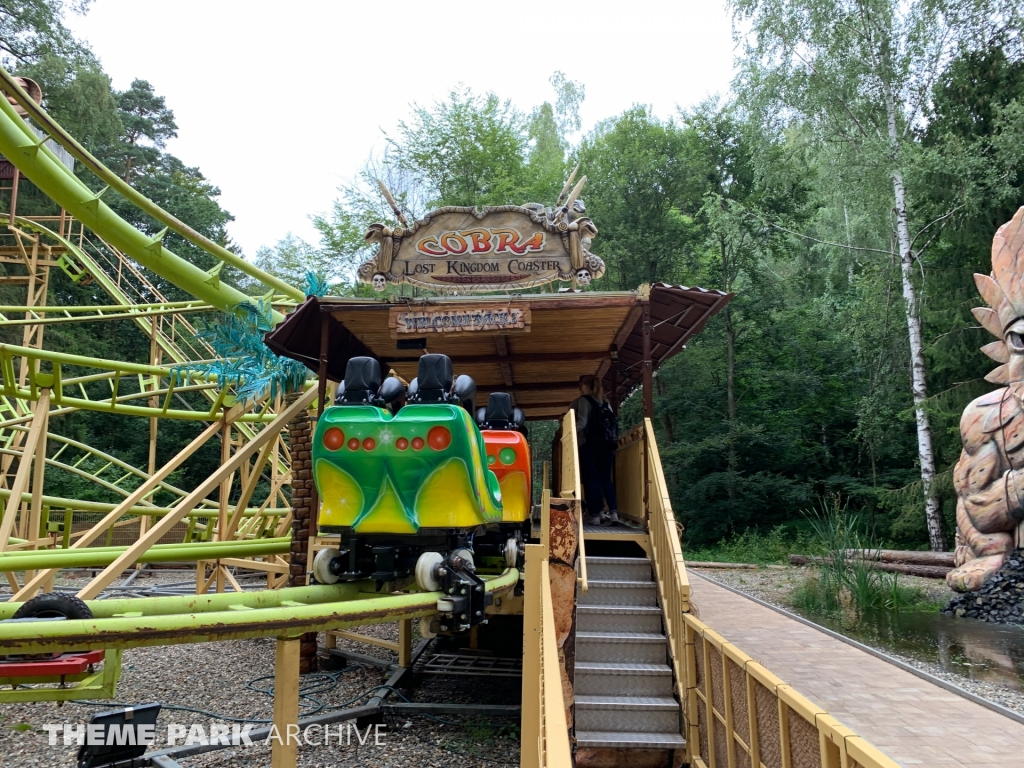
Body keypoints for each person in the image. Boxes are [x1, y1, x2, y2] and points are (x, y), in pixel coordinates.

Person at [570, 375, 619, 526]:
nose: (580, 389)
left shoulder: (585, 400)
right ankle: (613, 513)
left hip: (589, 445)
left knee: (592, 480)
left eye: (581, 386)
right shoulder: (606, 402)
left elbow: (582, 423)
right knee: (606, 479)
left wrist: (569, 433)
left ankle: (595, 515)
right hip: (607, 446)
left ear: (586, 386)